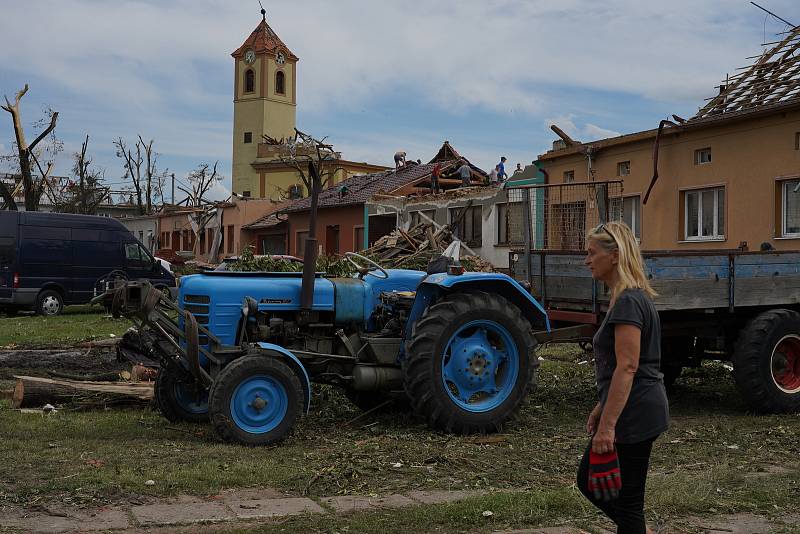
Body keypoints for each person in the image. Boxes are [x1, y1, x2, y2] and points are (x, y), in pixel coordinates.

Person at [578, 221, 669, 534]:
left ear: (614, 255)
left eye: (592, 253)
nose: (587, 260)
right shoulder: (628, 297)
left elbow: (628, 367)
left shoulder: (629, 300)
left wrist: (608, 427)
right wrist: (601, 406)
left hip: (636, 412)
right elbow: (626, 364)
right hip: (635, 407)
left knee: (624, 502)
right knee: (600, 486)